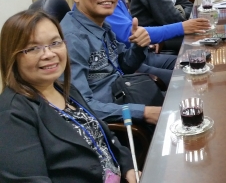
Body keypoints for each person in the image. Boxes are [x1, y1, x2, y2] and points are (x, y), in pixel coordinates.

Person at [0, 10, 137, 182]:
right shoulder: (11, 115)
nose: (49, 54)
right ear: (12, 56)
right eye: (33, 48)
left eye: (55, 43)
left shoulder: (65, 89)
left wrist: (128, 167)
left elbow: (106, 137)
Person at [61, 0, 161, 125]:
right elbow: (80, 106)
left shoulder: (101, 23)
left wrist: (138, 45)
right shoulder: (71, 39)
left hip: (125, 92)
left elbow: (125, 65)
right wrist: (142, 113)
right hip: (114, 119)